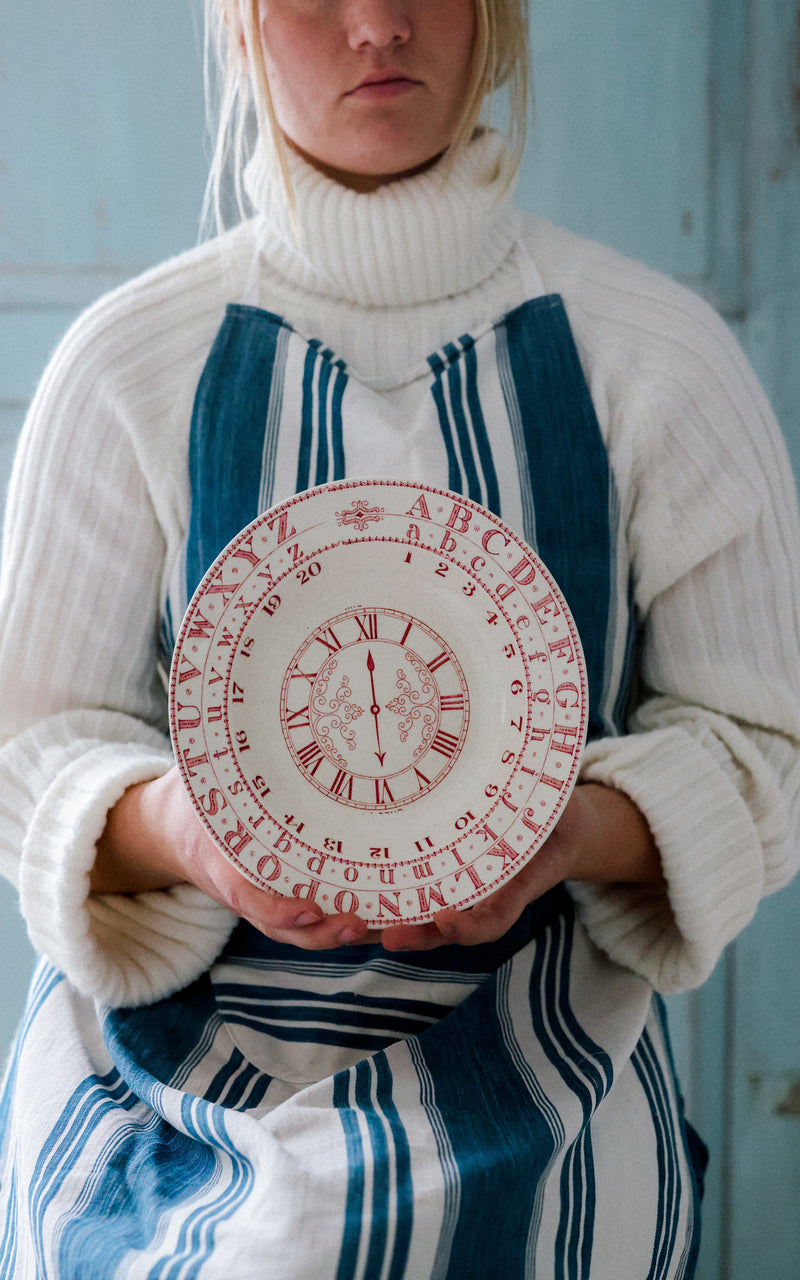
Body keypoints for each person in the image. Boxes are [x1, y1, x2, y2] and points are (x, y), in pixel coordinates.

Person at [0, 1, 798, 1275]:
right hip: (167, 1073)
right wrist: (192, 837)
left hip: (542, 1048)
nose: (377, 24)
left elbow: (763, 751)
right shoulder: (127, 364)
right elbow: (27, 746)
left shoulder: (656, 360)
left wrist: (558, 836)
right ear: (239, 22)